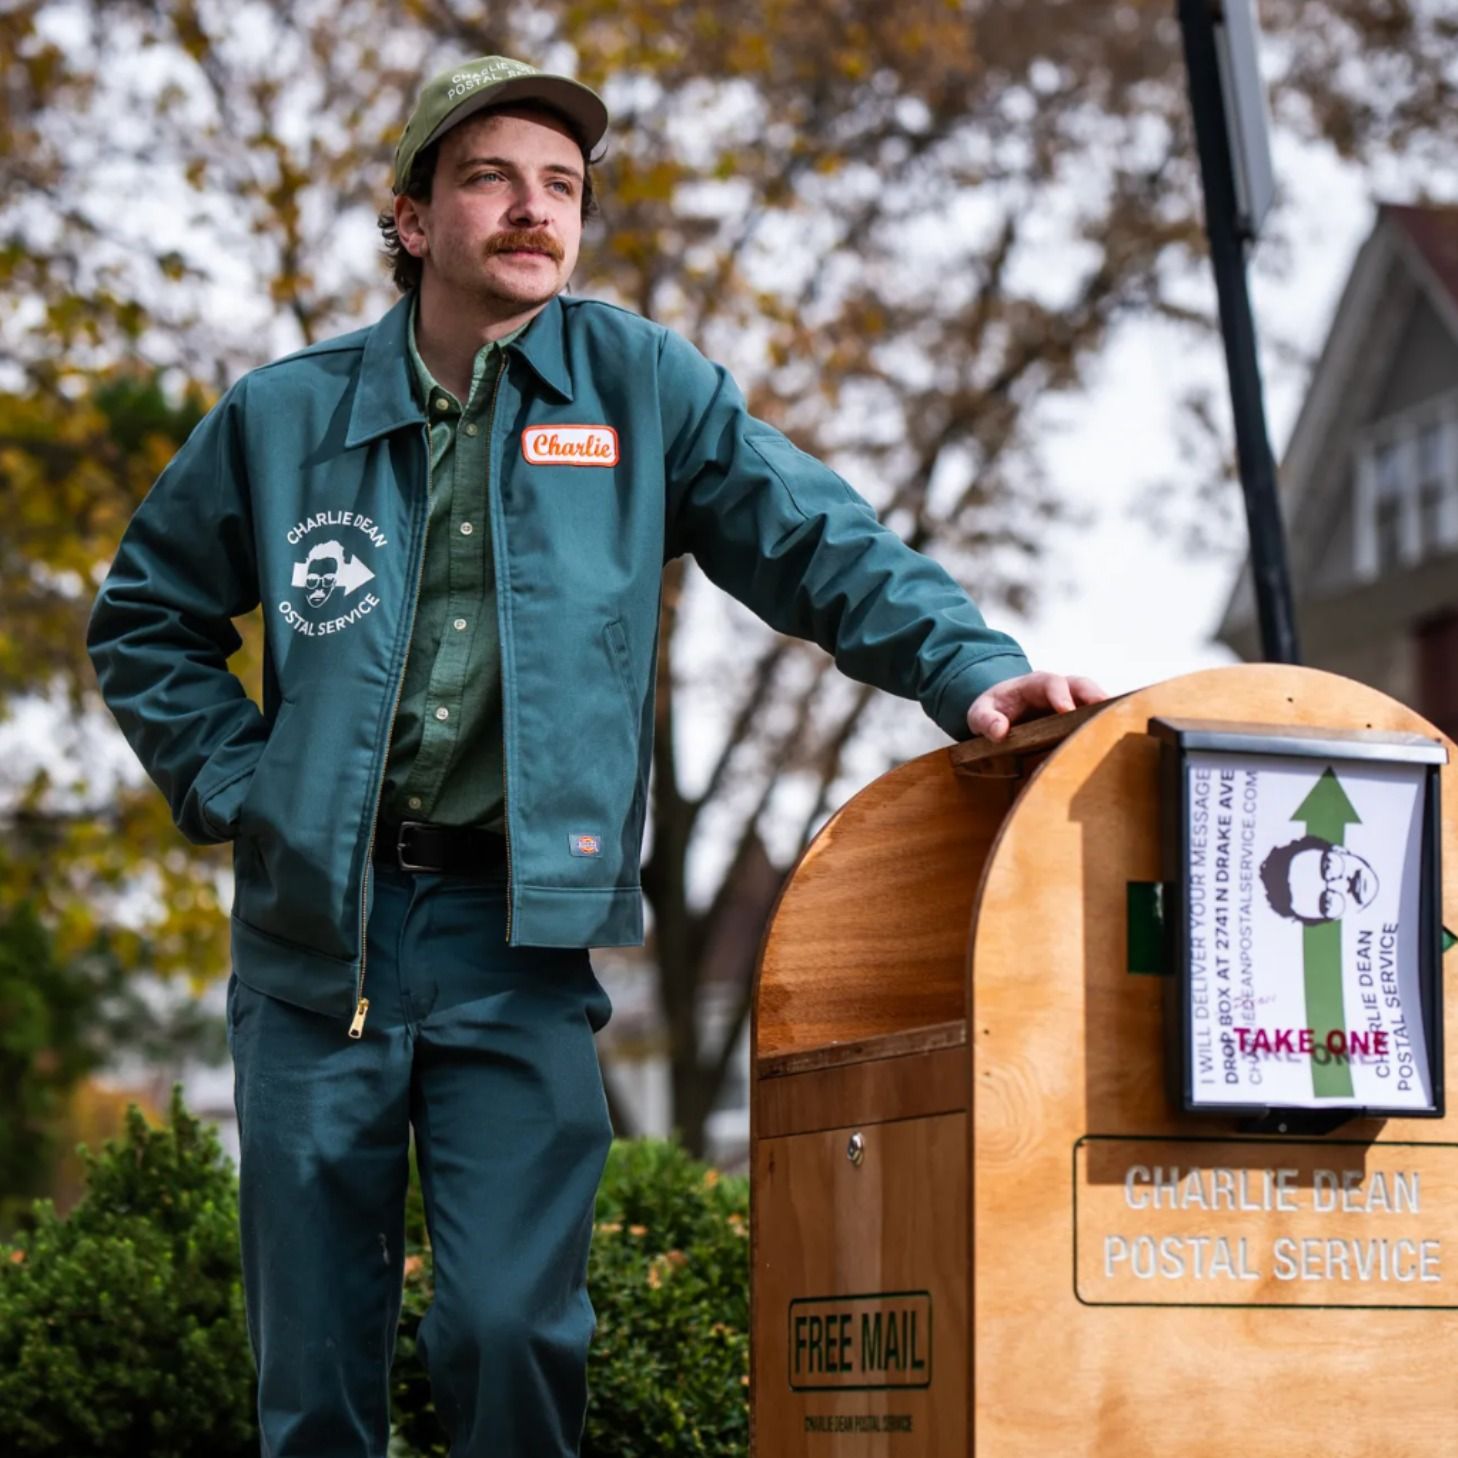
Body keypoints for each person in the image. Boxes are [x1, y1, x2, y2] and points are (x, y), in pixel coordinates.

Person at [86, 53, 1105, 1458]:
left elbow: (820, 543)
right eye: (491, 177)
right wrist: (247, 792)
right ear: (410, 218)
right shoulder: (282, 417)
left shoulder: (639, 389)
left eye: (560, 186)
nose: (532, 209)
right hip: (317, 947)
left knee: (510, 1329)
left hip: (519, 939)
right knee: (313, 1375)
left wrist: (976, 671)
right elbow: (143, 617)